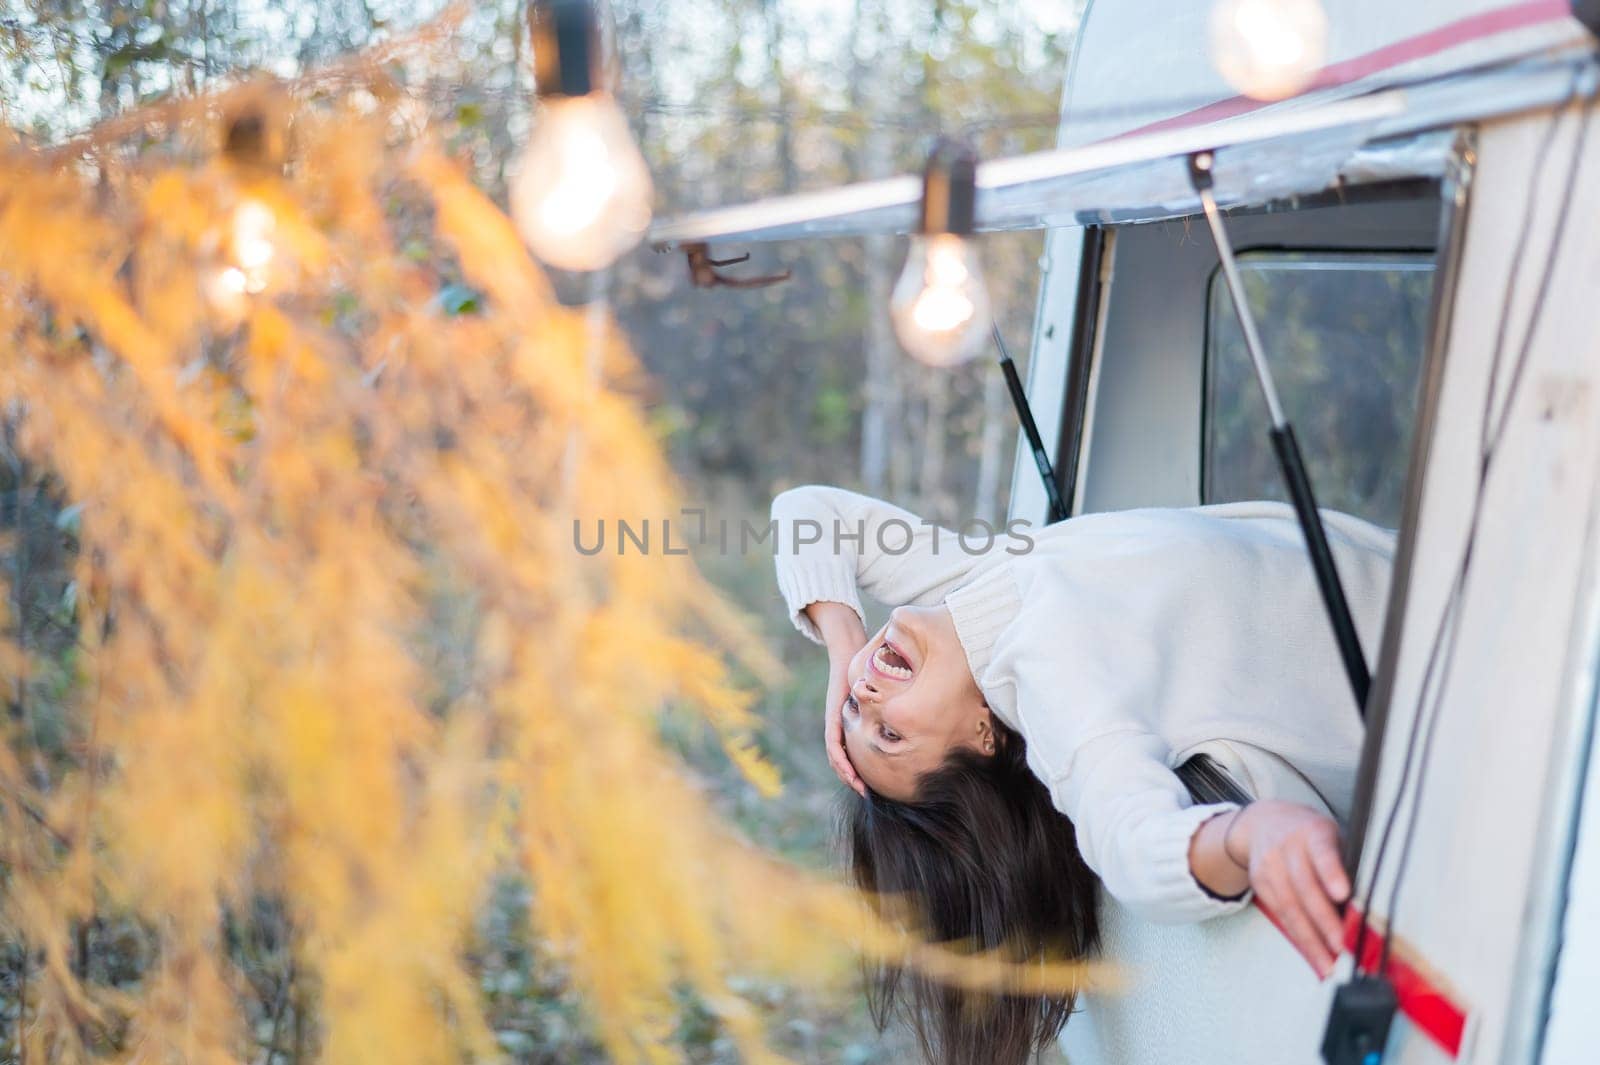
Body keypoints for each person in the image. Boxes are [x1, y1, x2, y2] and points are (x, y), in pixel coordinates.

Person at [769, 484, 1395, 1065]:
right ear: (984, 737)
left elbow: (805, 512)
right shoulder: (1055, 689)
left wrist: (842, 654)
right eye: (892, 735)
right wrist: (1247, 837)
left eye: (855, 710)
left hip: (1428, 578)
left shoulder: (970, 583)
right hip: (1442, 685)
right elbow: (1130, 844)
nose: (868, 698)